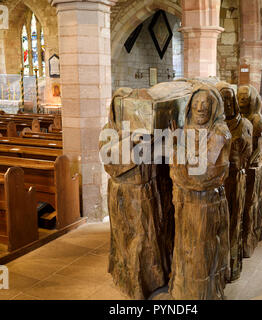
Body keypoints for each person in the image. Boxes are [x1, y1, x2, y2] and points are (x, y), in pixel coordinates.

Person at [99, 88, 168, 300]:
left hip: (147, 190)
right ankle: (130, 279)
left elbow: (161, 158)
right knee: (128, 238)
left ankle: (152, 278)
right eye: (120, 106)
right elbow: (109, 161)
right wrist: (131, 141)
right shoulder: (108, 131)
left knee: (148, 236)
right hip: (123, 191)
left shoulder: (147, 130)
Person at [169, 83, 232, 300]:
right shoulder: (185, 130)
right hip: (184, 201)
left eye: (205, 103)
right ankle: (183, 290)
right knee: (185, 248)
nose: (200, 108)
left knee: (202, 252)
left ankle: (201, 295)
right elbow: (176, 171)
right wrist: (180, 167)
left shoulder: (220, 132)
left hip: (206, 203)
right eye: (195, 103)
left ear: (214, 107)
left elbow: (204, 174)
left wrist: (179, 165)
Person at [216, 82, 253, 282]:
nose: (228, 103)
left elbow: (247, 154)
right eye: (223, 100)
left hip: (236, 179)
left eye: (230, 99)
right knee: (220, 223)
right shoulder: (216, 128)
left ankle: (233, 262)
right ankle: (220, 265)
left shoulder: (245, 125)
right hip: (219, 182)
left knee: (234, 220)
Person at [237, 85, 262, 258]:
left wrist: (247, 161)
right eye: (240, 96)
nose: (242, 99)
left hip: (251, 165)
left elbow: (256, 147)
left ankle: (251, 232)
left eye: (246, 96)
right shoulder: (236, 118)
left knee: (250, 202)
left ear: (252, 98)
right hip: (239, 165)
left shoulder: (257, 119)